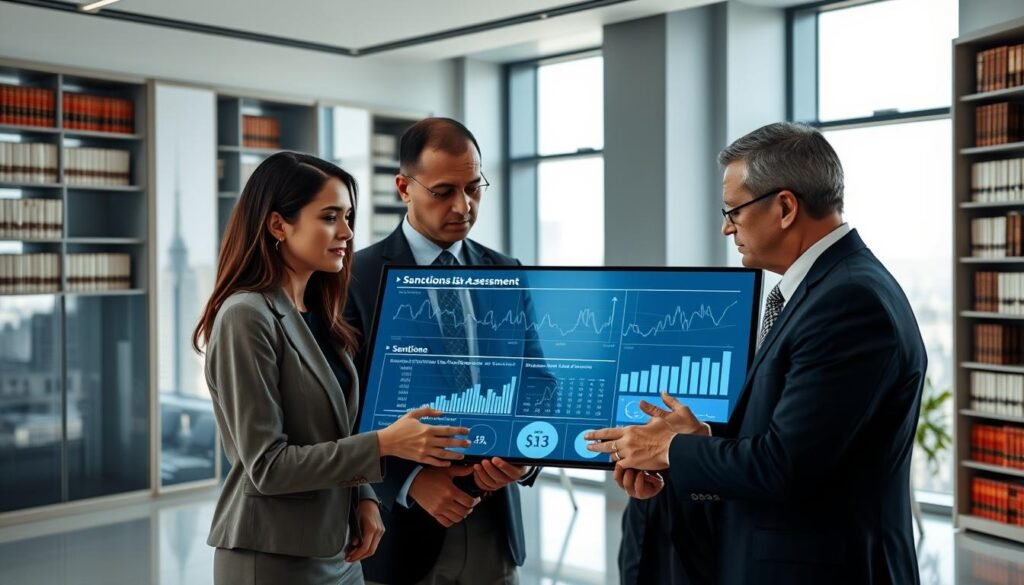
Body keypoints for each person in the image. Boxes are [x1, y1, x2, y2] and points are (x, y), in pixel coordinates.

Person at [587, 122, 927, 585]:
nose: (727, 227)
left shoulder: (849, 302)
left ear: (785, 207)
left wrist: (671, 449)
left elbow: (783, 464)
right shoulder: (821, 290)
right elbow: (790, 441)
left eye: (734, 211)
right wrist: (696, 444)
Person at [193, 151, 471, 585]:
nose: (346, 232)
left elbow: (333, 432)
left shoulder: (321, 312)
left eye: (348, 216)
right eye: (329, 217)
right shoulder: (246, 316)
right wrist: (383, 444)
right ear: (278, 225)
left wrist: (363, 497)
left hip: (341, 550)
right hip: (272, 556)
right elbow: (267, 466)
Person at [346, 118, 539, 585]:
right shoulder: (355, 277)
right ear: (403, 188)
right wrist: (408, 483)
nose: (463, 206)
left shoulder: (505, 270)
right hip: (400, 531)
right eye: (443, 191)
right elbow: (338, 410)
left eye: (474, 188)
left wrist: (525, 455)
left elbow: (537, 379)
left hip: (494, 526)